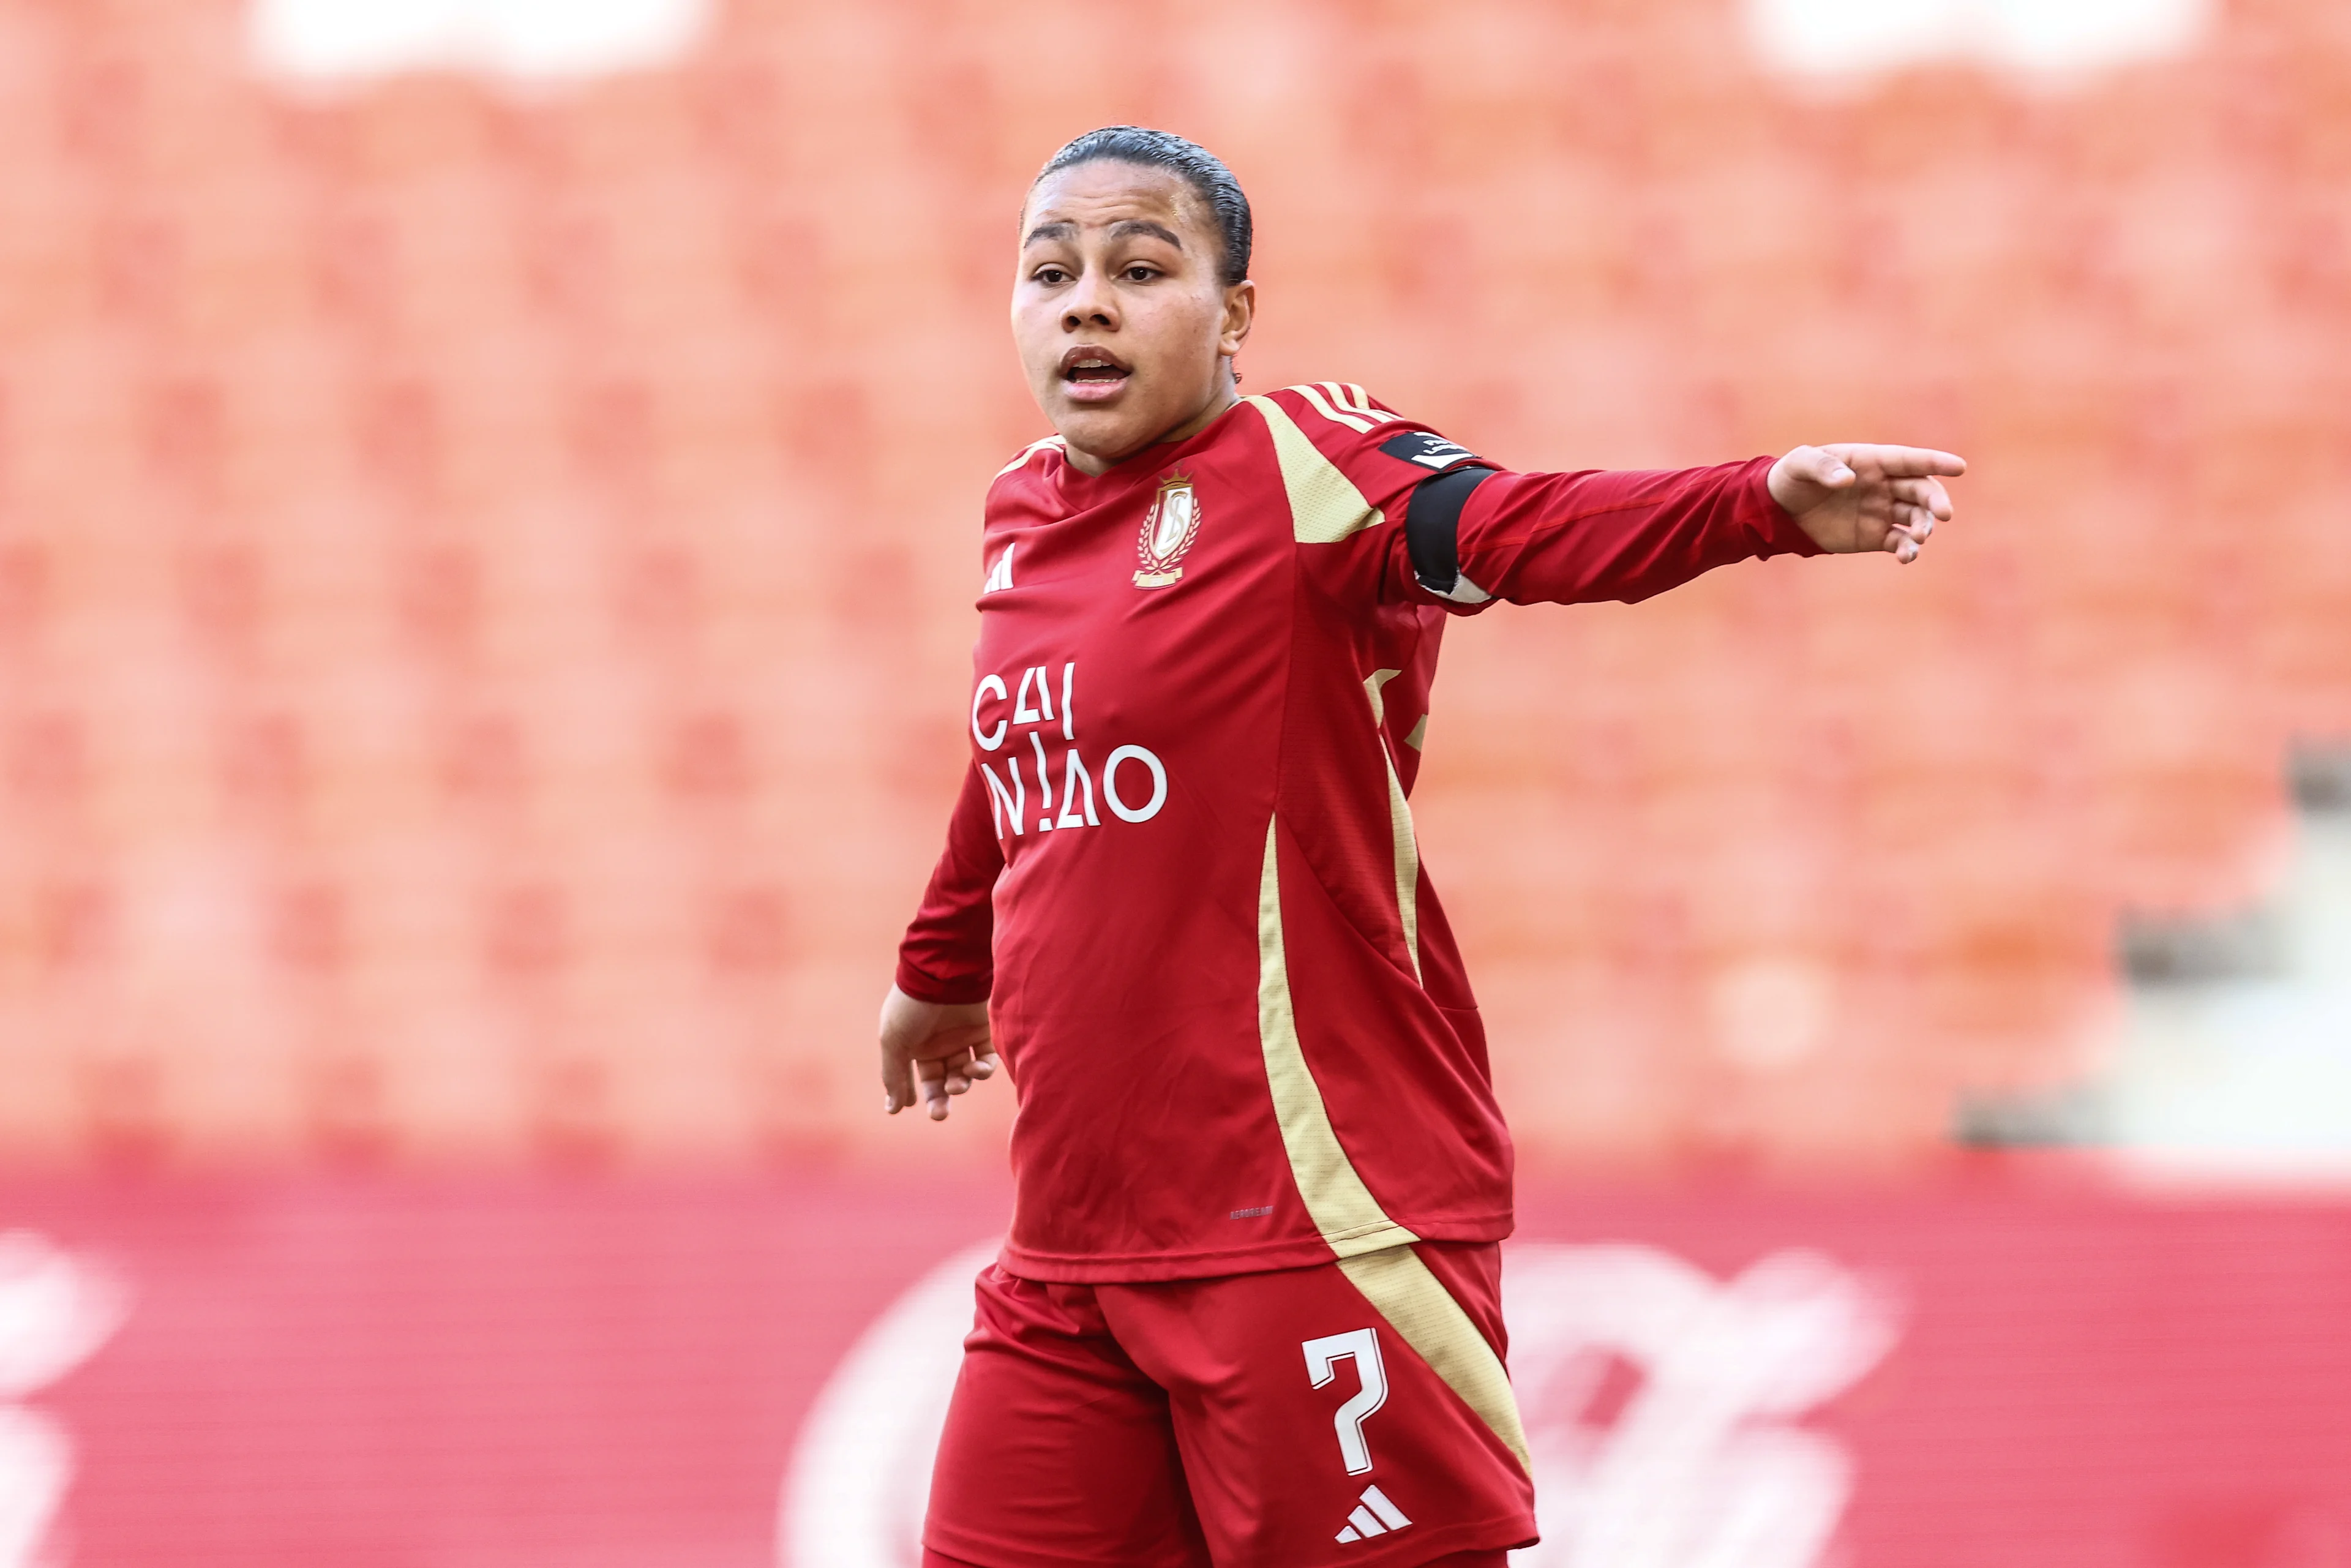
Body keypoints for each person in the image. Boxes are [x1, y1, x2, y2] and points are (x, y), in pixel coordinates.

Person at [879, 126, 1962, 1568]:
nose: (1087, 302)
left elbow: (1516, 526)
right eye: (1051, 271)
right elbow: (1022, 743)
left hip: (1315, 1227)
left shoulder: (1307, 458)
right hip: (1072, 1255)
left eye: (1139, 269)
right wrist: (939, 966)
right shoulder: (1023, 510)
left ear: (1234, 313)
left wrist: (1758, 504)